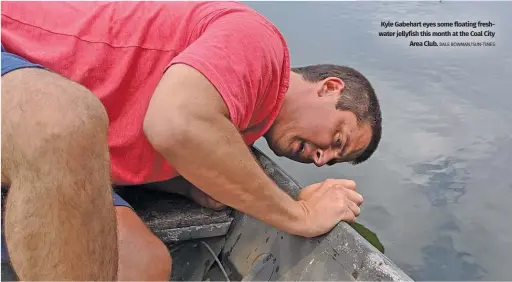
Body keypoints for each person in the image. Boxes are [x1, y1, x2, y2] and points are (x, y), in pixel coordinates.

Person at [0, 1, 382, 281]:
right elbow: (174, 124)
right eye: (337, 139)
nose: (320, 159)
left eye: (331, 161)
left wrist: (184, 184)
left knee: (144, 264)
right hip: (12, 53)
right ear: (330, 88)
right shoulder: (260, 46)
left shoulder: (237, 128)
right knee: (64, 120)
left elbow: (129, 141)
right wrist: (298, 215)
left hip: (53, 155)